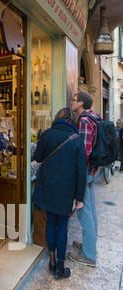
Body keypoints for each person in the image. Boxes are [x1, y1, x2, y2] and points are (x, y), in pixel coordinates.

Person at [33, 107, 87, 280]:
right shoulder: (77, 140)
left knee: (50, 222)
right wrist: (80, 196)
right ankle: (60, 267)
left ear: (58, 118)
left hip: (48, 186)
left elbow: (38, 157)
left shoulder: (47, 134)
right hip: (66, 189)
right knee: (62, 225)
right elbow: (81, 171)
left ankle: (51, 261)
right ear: (73, 121)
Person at [68, 91, 99, 268]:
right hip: (92, 171)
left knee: (83, 213)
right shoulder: (93, 117)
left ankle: (89, 255)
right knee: (91, 211)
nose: (72, 102)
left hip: (85, 173)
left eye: (74, 100)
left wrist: (77, 176)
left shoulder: (85, 121)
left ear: (80, 104)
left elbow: (84, 153)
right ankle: (90, 246)